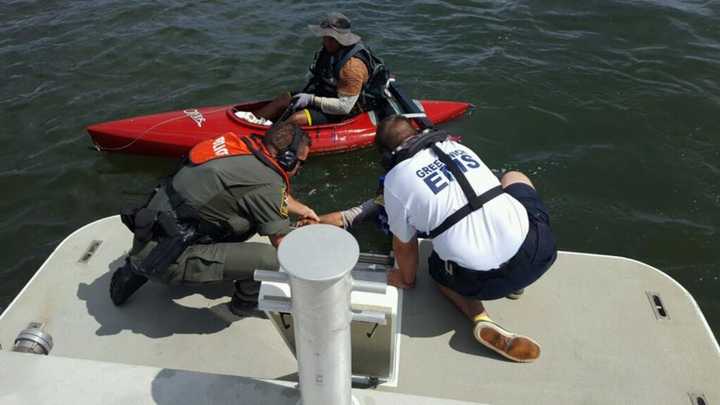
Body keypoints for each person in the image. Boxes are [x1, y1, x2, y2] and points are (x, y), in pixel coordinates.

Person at [375, 115, 557, 363]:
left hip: (483, 281)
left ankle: (480, 317)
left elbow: (404, 247)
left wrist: (405, 279)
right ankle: (517, 286)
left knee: (438, 272)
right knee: (515, 176)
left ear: (386, 156)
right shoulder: (457, 147)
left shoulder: (395, 180)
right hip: (539, 251)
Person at [109, 122, 317, 315]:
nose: (301, 168)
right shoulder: (267, 183)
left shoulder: (235, 146)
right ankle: (244, 303)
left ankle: (136, 268)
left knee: (245, 217)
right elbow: (283, 245)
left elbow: (263, 191)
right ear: (287, 158)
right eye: (301, 163)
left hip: (152, 229)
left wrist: (303, 209)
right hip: (173, 257)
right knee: (272, 259)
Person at [254, 12, 388, 127]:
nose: (327, 42)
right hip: (329, 92)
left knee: (297, 119)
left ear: (342, 39)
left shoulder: (352, 67)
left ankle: (274, 136)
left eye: (332, 38)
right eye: (325, 37)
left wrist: (311, 100)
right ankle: (251, 121)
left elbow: (344, 107)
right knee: (284, 99)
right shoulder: (329, 50)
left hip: (348, 106)